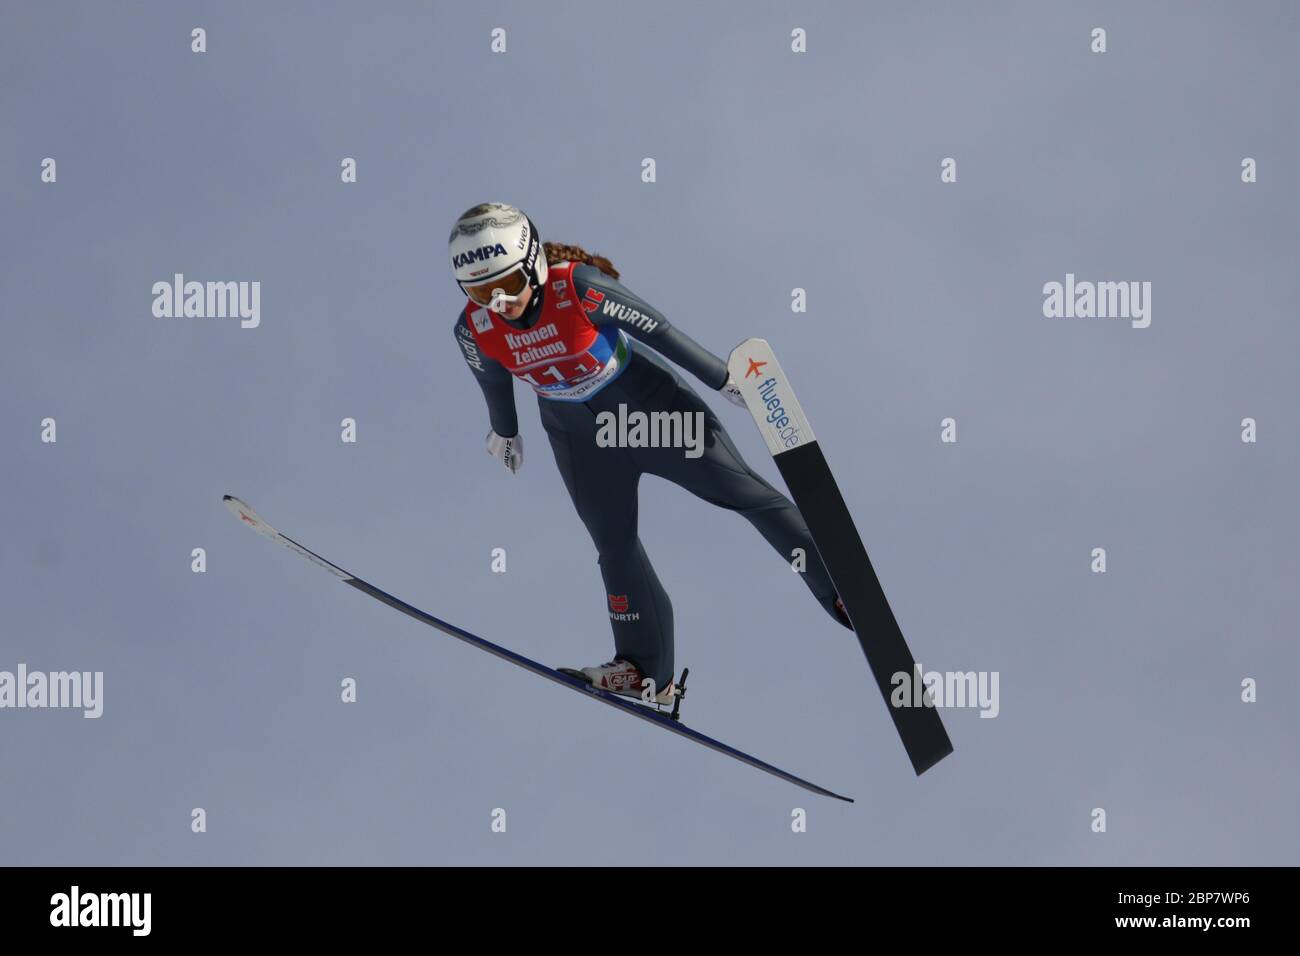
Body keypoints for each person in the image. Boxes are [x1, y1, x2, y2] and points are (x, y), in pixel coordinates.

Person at [449, 202, 850, 702]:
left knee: (742, 493)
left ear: (531, 260)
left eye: (506, 283)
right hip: (579, 440)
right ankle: (643, 670)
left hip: (648, 412)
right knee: (614, 548)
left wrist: (721, 377)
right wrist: (504, 432)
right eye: (482, 291)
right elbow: (491, 379)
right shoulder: (475, 328)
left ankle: (837, 586)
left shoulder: (576, 287)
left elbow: (658, 330)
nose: (499, 301)